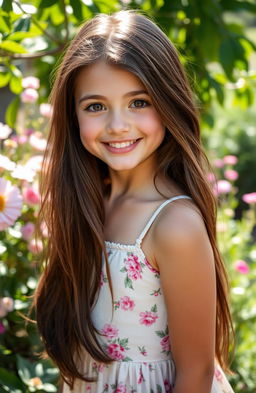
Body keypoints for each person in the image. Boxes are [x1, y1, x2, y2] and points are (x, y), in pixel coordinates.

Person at [34, 10, 235, 393]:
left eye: (139, 102)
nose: (117, 125)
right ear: (72, 115)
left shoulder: (174, 225)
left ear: (168, 101)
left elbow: (196, 375)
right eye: (95, 106)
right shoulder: (89, 201)